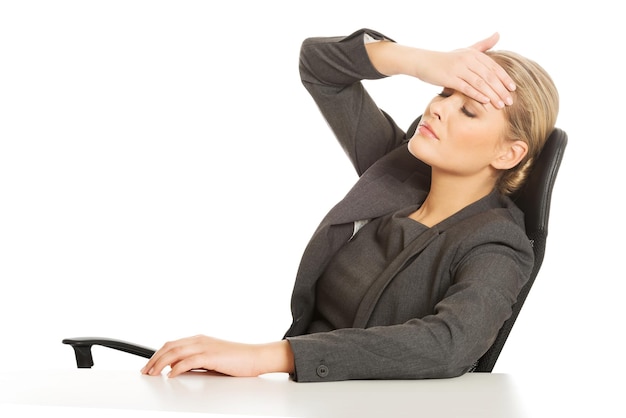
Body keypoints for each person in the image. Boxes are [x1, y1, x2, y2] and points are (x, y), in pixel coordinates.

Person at [141, 28, 559, 382]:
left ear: (508, 155)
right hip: (300, 397)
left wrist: (268, 357)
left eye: (467, 110)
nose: (437, 107)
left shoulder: (496, 243)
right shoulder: (398, 171)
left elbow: (448, 344)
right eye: (444, 92)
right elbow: (320, 68)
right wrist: (417, 61)